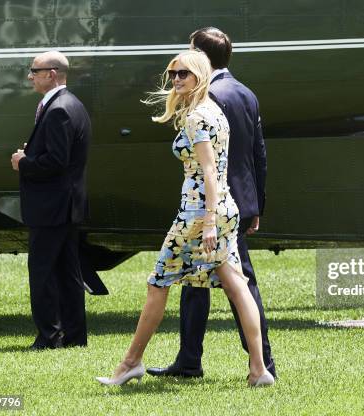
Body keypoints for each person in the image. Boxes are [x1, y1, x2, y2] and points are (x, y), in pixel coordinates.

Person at [95, 50, 274, 387]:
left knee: (157, 283)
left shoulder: (196, 118)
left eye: (183, 74)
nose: (176, 80)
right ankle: (259, 368)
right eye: (173, 74)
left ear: (200, 76)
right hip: (224, 208)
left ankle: (130, 363)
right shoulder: (215, 112)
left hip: (198, 214)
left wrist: (206, 221)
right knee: (237, 285)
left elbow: (208, 171)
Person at [147, 27, 276, 380]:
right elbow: (258, 153)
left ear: (200, 58)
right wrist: (256, 204)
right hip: (238, 201)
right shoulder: (245, 92)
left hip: (212, 206)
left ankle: (261, 363)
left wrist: (209, 213)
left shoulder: (207, 96)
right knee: (203, 285)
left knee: (236, 285)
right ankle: (192, 360)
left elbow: (209, 162)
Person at [10, 51, 91, 350]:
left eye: (34, 70)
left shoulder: (58, 109)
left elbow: (56, 161)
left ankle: (49, 336)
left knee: (43, 274)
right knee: (68, 273)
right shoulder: (72, 104)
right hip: (65, 206)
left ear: (52, 74)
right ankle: (73, 335)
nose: (30, 76)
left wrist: (24, 162)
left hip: (52, 207)